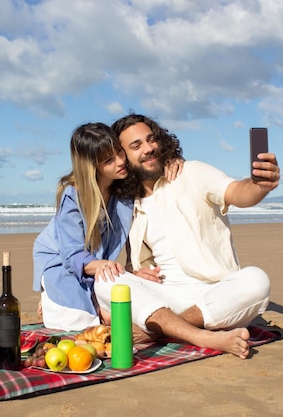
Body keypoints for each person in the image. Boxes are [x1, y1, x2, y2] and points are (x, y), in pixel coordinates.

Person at [93, 114, 280, 359]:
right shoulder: (129, 203)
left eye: (151, 140)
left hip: (213, 295)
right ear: (123, 157)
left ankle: (157, 333)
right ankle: (202, 335)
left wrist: (260, 185)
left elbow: (238, 192)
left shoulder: (192, 173)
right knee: (106, 279)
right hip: (164, 298)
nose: (149, 149)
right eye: (136, 146)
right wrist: (135, 272)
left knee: (257, 281)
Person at [32, 122, 182, 331]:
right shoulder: (73, 195)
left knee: (128, 311)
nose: (121, 161)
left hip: (96, 261)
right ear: (92, 166)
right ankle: (52, 293)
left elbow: (151, 166)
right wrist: (101, 265)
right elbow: (72, 254)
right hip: (63, 259)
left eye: (120, 152)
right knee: (85, 325)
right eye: (109, 160)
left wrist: (173, 160)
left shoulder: (124, 183)